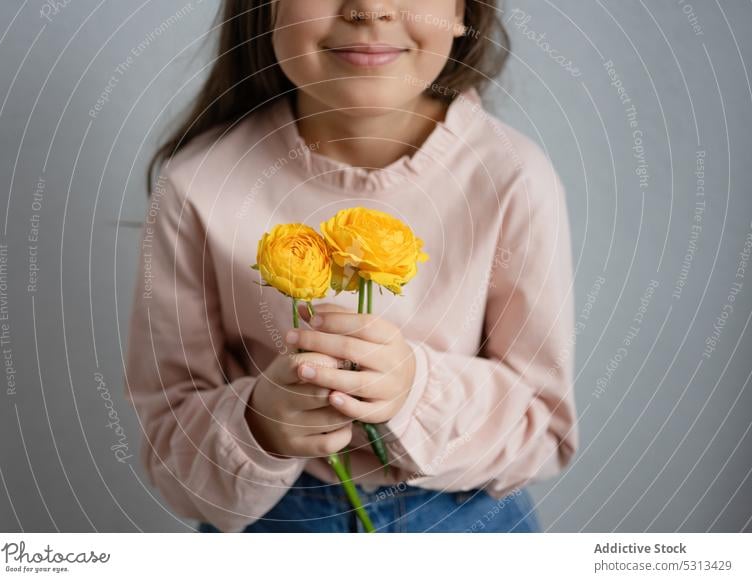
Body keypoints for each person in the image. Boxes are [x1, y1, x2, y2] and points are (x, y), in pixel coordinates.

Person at [124, 0, 578, 533]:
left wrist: (415, 393)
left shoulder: (512, 177)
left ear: (464, 11)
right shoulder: (199, 185)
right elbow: (170, 443)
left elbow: (543, 431)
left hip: (466, 519)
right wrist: (260, 425)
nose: (369, 7)